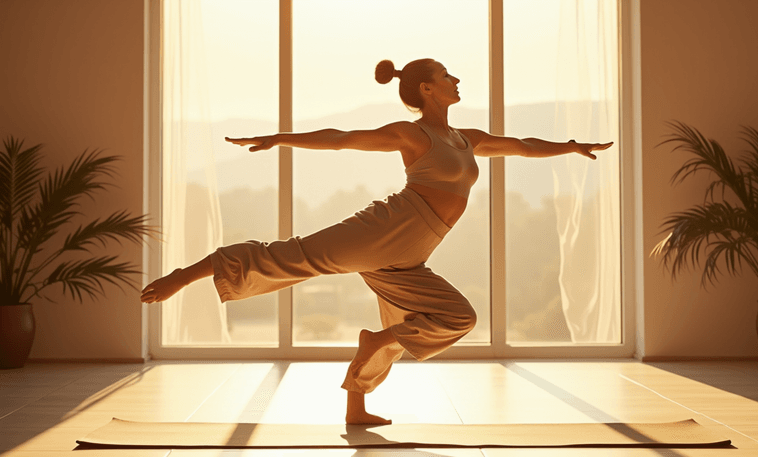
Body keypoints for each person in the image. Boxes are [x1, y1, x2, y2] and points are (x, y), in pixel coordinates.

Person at [140, 58, 613, 425]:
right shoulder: (412, 134)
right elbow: (342, 138)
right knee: (288, 258)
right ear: (427, 89)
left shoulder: (465, 138)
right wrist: (281, 138)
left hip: (413, 252)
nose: (457, 80)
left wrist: (569, 147)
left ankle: (358, 401)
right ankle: (188, 274)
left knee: (455, 317)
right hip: (386, 230)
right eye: (447, 75)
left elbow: (522, 145)